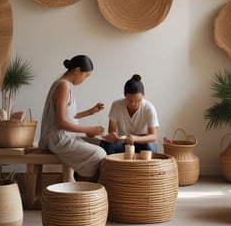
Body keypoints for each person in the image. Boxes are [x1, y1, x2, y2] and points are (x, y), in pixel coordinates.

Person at [38, 54, 107, 182]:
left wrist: (91, 111)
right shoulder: (63, 86)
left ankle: (82, 186)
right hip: (58, 139)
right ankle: (82, 190)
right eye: (85, 76)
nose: (84, 80)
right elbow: (61, 122)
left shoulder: (62, 85)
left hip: (63, 136)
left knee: (101, 144)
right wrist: (88, 130)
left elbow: (68, 116)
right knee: (99, 154)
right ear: (77, 70)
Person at [101, 74, 159, 154]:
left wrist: (135, 138)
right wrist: (113, 136)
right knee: (107, 146)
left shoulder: (148, 108)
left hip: (142, 144)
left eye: (138, 100)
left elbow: (153, 136)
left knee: (149, 148)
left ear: (143, 96)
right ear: (125, 95)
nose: (133, 104)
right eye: (130, 100)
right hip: (123, 144)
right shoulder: (116, 105)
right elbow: (112, 131)